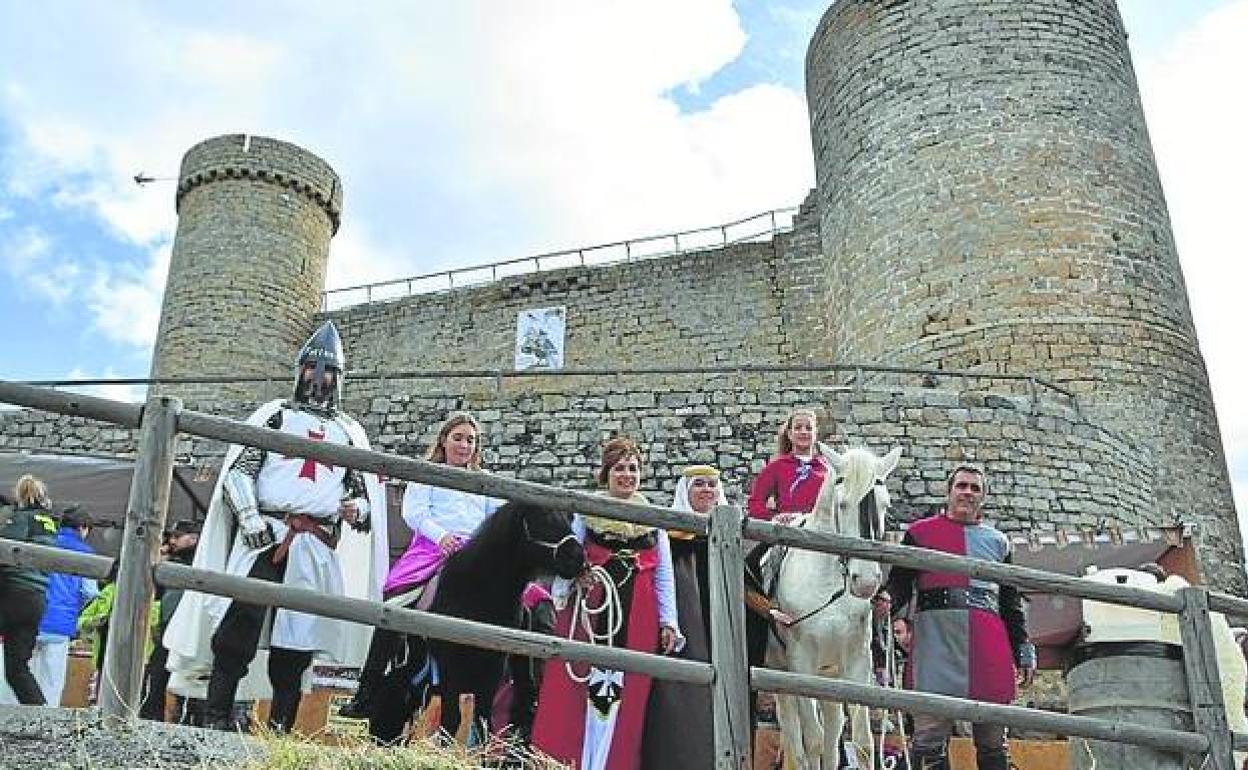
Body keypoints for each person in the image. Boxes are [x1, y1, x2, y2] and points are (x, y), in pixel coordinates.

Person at [164, 321, 388, 733]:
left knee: (296, 643)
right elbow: (239, 472)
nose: (318, 378)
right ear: (299, 369)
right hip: (266, 533)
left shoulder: (348, 432)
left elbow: (363, 495)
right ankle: (216, 719)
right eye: (311, 369)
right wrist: (249, 518)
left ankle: (280, 731)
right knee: (236, 629)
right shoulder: (275, 415)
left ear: (340, 378)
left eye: (328, 372)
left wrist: (353, 509)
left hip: (314, 543)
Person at [337, 411, 502, 720]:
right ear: (444, 440)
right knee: (396, 608)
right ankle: (367, 689)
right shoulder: (427, 474)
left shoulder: (486, 483)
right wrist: (442, 538)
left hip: (475, 554)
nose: (464, 445)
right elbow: (415, 514)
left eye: (470, 440)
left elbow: (497, 518)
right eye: (458, 438)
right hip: (433, 550)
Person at [532, 436, 682, 770]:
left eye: (633, 468)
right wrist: (570, 584)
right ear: (606, 474)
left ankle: (614, 762)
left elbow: (663, 575)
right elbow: (569, 560)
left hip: (640, 616)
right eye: (619, 469)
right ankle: (574, 760)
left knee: (628, 694)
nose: (627, 475)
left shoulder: (653, 519)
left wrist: (668, 621)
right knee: (578, 688)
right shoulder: (587, 515)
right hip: (590, 613)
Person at [884, 465, 1036, 770]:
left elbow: (1009, 602)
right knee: (928, 739)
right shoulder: (919, 533)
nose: (967, 492)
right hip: (935, 642)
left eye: (975, 488)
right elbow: (900, 582)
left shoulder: (998, 542)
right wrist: (887, 600)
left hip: (987, 642)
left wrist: (1023, 646)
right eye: (962, 486)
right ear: (949, 491)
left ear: (983, 498)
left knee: (993, 739)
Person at [743, 409, 826, 721]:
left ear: (816, 433)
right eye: (798, 428)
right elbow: (755, 504)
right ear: (789, 434)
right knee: (749, 569)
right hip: (784, 536)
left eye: (809, 428)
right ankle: (760, 627)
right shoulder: (776, 467)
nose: (804, 433)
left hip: (820, 539)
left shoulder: (828, 469)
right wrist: (775, 518)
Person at [640, 464, 721, 768]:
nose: (707, 490)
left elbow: (746, 585)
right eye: (699, 484)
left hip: (720, 626)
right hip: (687, 622)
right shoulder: (670, 535)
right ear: (686, 492)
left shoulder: (729, 533)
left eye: (712, 485)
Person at [32, 505, 99, 707]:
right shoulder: (87, 553)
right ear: (83, 528)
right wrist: (75, 607)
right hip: (61, 624)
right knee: (52, 682)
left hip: (33, 617)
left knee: (26, 676)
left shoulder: (44, 544)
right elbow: (90, 591)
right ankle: (45, 726)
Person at [0, 475, 59, 704]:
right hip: (37, 599)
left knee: (16, 668)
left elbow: (5, 553)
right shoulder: (50, 523)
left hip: (13, 593)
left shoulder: (17, 520)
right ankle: (41, 716)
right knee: (17, 669)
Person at [140, 520, 200, 721]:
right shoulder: (172, 562)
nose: (172, 540)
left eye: (177, 536)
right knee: (158, 675)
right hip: (170, 627)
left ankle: (175, 718)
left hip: (186, 628)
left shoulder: (195, 562)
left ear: (194, 538)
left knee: (174, 676)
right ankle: (153, 717)